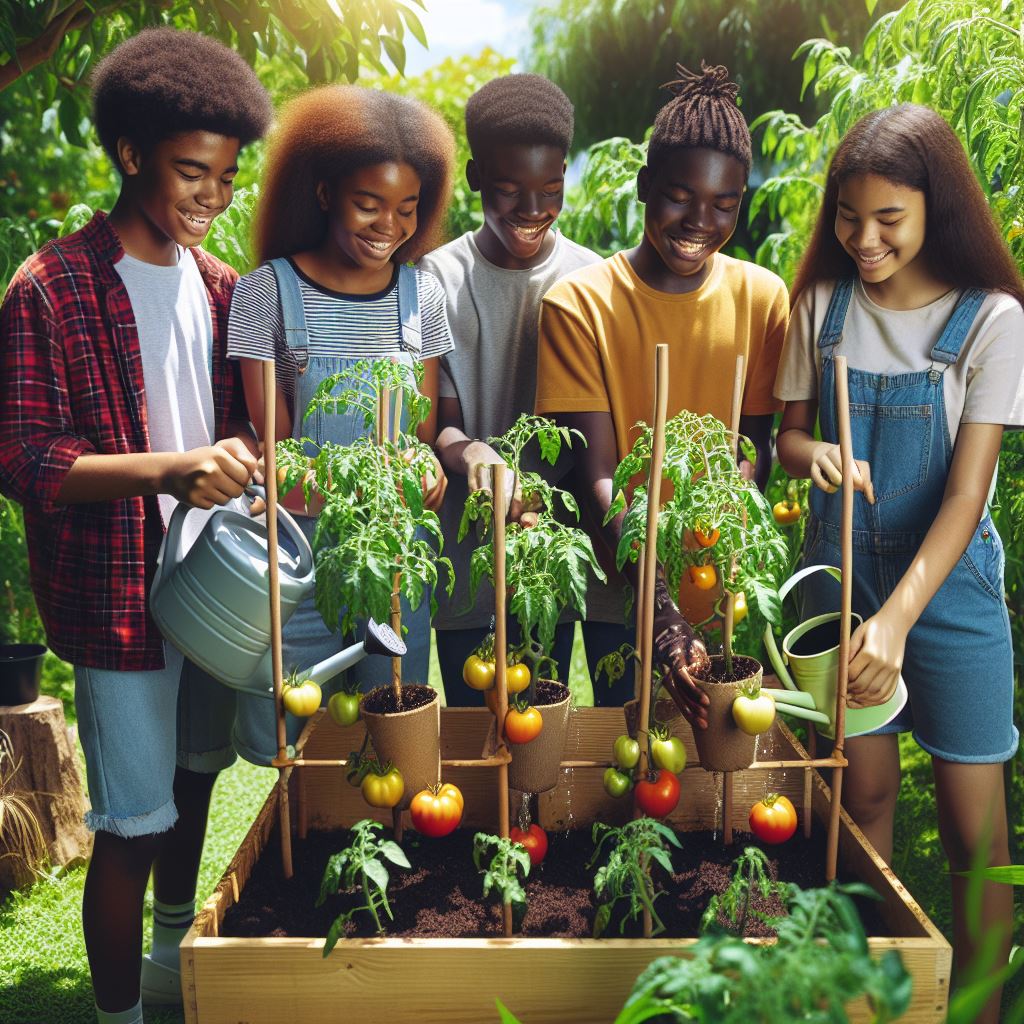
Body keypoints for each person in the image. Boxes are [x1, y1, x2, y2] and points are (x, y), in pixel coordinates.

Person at [0, 28, 271, 1023]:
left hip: (213, 588)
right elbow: (24, 458)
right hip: (119, 602)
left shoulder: (221, 287)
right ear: (128, 154)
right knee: (133, 821)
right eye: (191, 171)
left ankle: (168, 968)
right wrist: (173, 468)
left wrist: (248, 457)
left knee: (195, 785)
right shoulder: (51, 285)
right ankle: (117, 1016)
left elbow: (239, 421)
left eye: (227, 176)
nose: (212, 195)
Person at [773, 103, 1023, 1023]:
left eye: (889, 219)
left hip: (947, 589)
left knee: (976, 827)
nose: (863, 238)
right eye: (849, 216)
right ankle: (862, 1005)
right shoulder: (820, 308)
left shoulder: (991, 319)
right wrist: (816, 458)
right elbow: (788, 440)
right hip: (840, 581)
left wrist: (899, 619)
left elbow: (965, 496)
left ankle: (981, 1012)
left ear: (937, 210)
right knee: (860, 796)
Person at [534, 63, 788, 720]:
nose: (700, 220)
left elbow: (750, 452)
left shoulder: (762, 299)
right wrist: (663, 616)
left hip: (724, 595)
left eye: (724, 205)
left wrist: (718, 576)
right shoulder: (578, 306)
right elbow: (594, 477)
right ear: (645, 186)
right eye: (680, 195)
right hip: (627, 600)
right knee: (632, 770)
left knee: (721, 789)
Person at [227, 85, 454, 762]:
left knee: (396, 733)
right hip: (304, 558)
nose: (389, 225)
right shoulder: (265, 293)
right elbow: (280, 462)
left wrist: (427, 472)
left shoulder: (424, 297)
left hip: (397, 563)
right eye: (369, 204)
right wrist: (369, 494)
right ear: (325, 193)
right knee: (297, 744)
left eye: (407, 210)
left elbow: (420, 440)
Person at [423, 73, 603, 705]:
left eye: (550, 190)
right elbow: (436, 420)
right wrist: (470, 451)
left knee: (540, 740)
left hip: (549, 552)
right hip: (464, 558)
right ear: (474, 178)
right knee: (477, 737)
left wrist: (546, 505)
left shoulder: (589, 279)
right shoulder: (436, 279)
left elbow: (594, 431)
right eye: (509, 191)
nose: (532, 210)